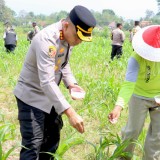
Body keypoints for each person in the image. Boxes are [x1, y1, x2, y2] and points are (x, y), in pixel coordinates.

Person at [13, 5, 96, 160]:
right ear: (66, 25)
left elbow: (63, 64)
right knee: (32, 145)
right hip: (31, 96)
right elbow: (46, 81)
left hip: (50, 98)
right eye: (78, 37)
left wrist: (71, 84)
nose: (79, 42)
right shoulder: (47, 40)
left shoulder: (67, 37)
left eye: (82, 39)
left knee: (51, 139)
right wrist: (70, 112)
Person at [108, 25, 160, 160]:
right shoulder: (135, 59)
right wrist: (118, 106)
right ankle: (123, 157)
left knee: (158, 136)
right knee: (132, 131)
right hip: (139, 97)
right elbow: (128, 84)